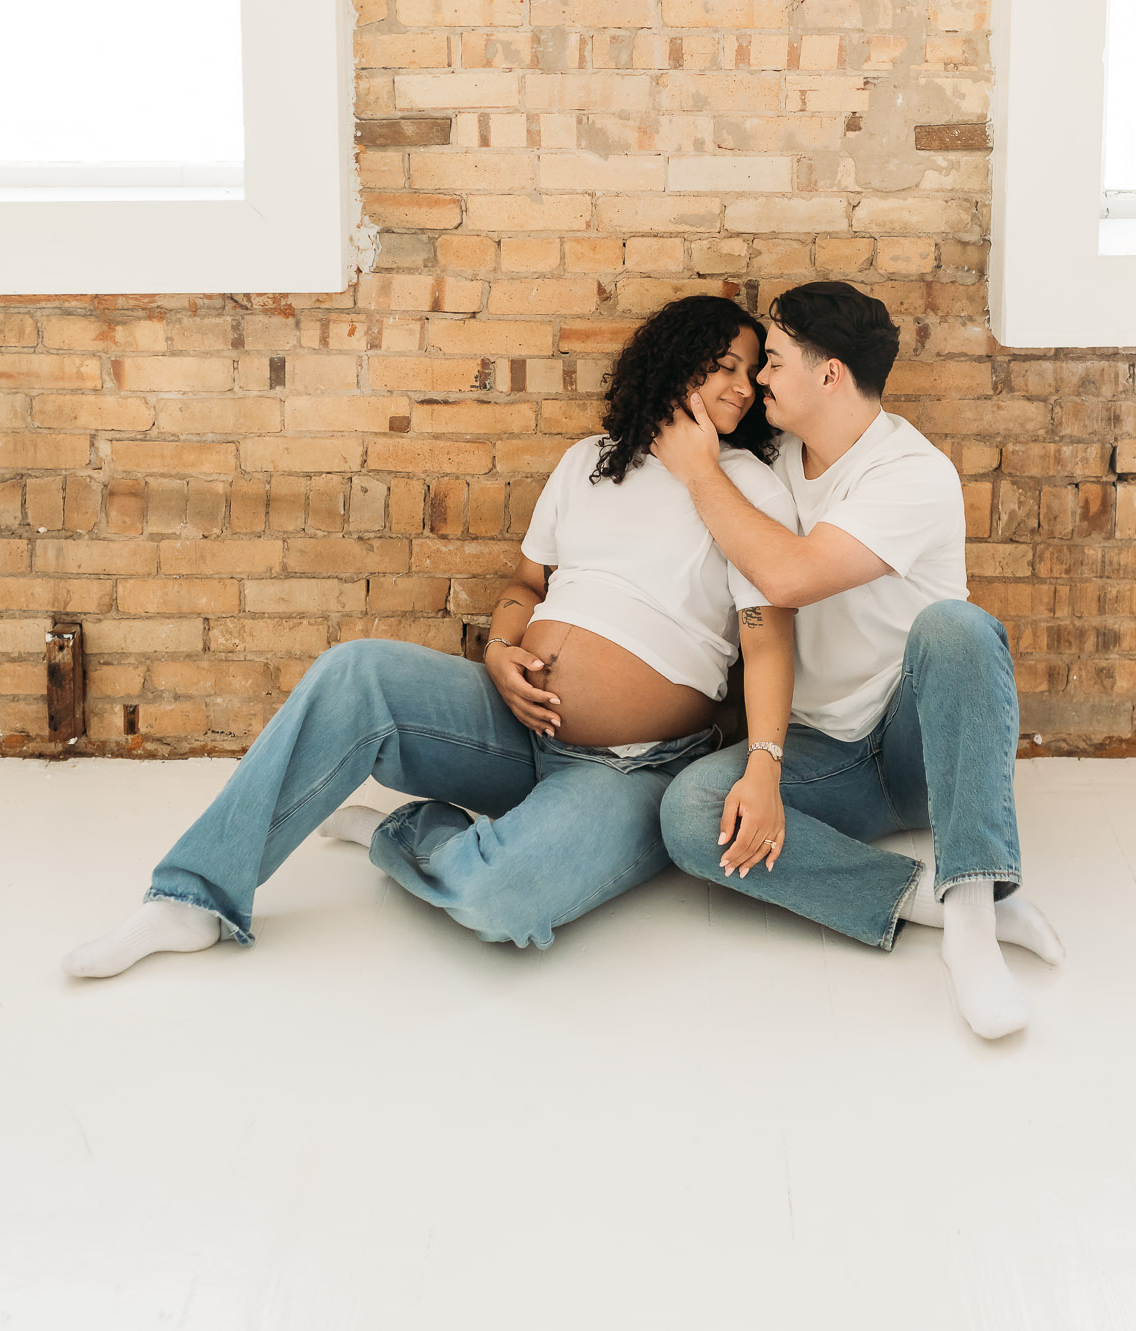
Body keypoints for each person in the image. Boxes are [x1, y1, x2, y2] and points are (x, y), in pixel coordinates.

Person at [63, 295, 798, 978]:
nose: (741, 385)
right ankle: (194, 898)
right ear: (674, 360)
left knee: (500, 899)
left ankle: (409, 833)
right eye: (723, 364)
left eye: (751, 370)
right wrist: (501, 651)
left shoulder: (749, 487)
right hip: (516, 726)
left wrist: (764, 763)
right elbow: (525, 586)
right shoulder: (591, 462)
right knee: (357, 673)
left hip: (630, 770)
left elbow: (766, 639)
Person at [650, 281, 1064, 1040]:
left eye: (771, 361)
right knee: (688, 812)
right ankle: (920, 899)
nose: (759, 379)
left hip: (921, 749)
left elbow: (792, 576)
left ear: (829, 373)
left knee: (958, 628)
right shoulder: (769, 457)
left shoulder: (911, 474)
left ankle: (974, 914)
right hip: (825, 755)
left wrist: (700, 474)